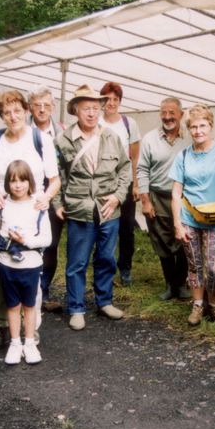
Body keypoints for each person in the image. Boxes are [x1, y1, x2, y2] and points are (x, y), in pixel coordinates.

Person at [0, 90, 61, 350]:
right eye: (6, 112)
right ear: (1, 115)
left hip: (31, 219)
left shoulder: (40, 140)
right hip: (1, 219)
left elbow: (54, 180)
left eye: (17, 110)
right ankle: (0, 326)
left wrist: (45, 198)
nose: (12, 116)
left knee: (30, 276)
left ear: (26, 111)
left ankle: (30, 331)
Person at [54, 84, 131, 329]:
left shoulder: (111, 136)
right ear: (76, 110)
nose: (91, 113)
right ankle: (76, 308)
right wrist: (57, 203)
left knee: (107, 257)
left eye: (95, 108)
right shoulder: (63, 140)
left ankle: (104, 301)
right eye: (86, 108)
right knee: (77, 262)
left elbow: (125, 169)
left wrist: (118, 196)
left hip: (109, 209)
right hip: (80, 210)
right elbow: (55, 175)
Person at [170, 104, 215, 326]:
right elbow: (175, 192)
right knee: (195, 265)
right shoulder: (182, 156)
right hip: (190, 218)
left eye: (202, 125)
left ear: (211, 126)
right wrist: (177, 224)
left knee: (214, 268)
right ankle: (198, 305)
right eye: (193, 127)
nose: (198, 131)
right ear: (189, 129)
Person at [0, 160, 52, 365]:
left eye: (23, 180)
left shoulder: (38, 206)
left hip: (31, 264)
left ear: (30, 182)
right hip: (7, 264)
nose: (18, 185)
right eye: (13, 181)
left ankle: (30, 342)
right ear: (7, 182)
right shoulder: (1, 205)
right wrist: (4, 245)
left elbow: (47, 238)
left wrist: (25, 241)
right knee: (12, 305)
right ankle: (15, 343)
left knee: (30, 305)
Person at [138, 97, 192, 300]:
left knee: (185, 239)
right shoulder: (150, 139)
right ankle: (170, 284)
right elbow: (142, 169)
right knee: (162, 240)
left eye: (172, 113)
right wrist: (145, 200)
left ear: (181, 114)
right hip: (158, 196)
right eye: (164, 113)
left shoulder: (190, 137)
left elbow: (212, 149)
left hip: (185, 197)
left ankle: (181, 283)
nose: (167, 117)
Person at [28, 86, 65, 313]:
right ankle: (30, 293)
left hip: (54, 197)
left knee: (50, 246)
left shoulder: (62, 132)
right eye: (37, 105)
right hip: (28, 197)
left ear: (53, 107)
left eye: (46, 105)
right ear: (30, 107)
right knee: (28, 244)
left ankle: (44, 291)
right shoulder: (22, 130)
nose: (42, 110)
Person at [99, 82, 141, 287]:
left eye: (115, 99)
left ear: (120, 102)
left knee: (126, 227)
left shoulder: (128, 123)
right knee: (103, 226)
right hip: (102, 183)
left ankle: (125, 268)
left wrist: (135, 184)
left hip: (125, 182)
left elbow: (135, 156)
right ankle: (103, 266)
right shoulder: (96, 121)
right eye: (107, 99)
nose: (111, 103)